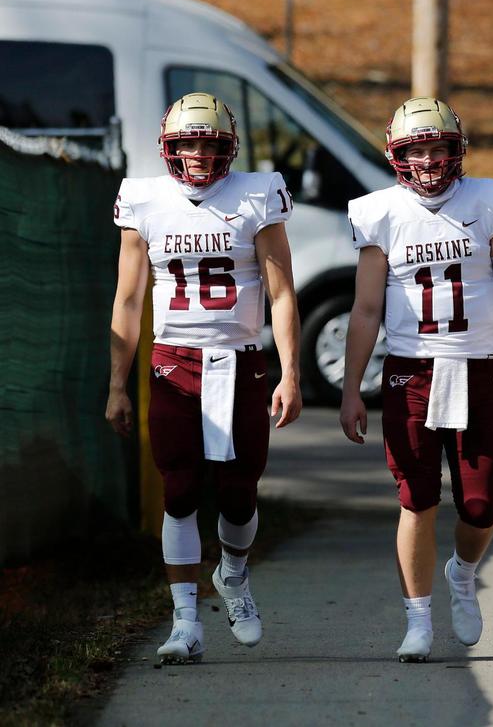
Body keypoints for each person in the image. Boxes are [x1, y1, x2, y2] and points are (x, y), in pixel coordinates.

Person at [339, 97, 493, 663]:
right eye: (416, 150)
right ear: (397, 156)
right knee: (417, 499)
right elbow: (364, 310)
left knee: (480, 505)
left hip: (478, 366)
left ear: (457, 151)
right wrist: (352, 387)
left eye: (437, 148)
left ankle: (463, 572)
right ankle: (418, 620)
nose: (428, 161)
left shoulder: (490, 201)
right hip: (410, 370)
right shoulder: (380, 211)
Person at [106, 92, 302, 664]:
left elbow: (282, 291)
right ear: (168, 148)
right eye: (187, 142)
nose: (197, 154)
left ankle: (234, 576)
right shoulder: (143, 199)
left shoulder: (256, 195)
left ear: (229, 147)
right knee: (180, 488)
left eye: (209, 143)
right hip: (174, 358)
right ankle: (185, 622)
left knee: (240, 491)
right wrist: (118, 383)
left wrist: (290, 373)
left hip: (239, 359)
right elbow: (127, 298)